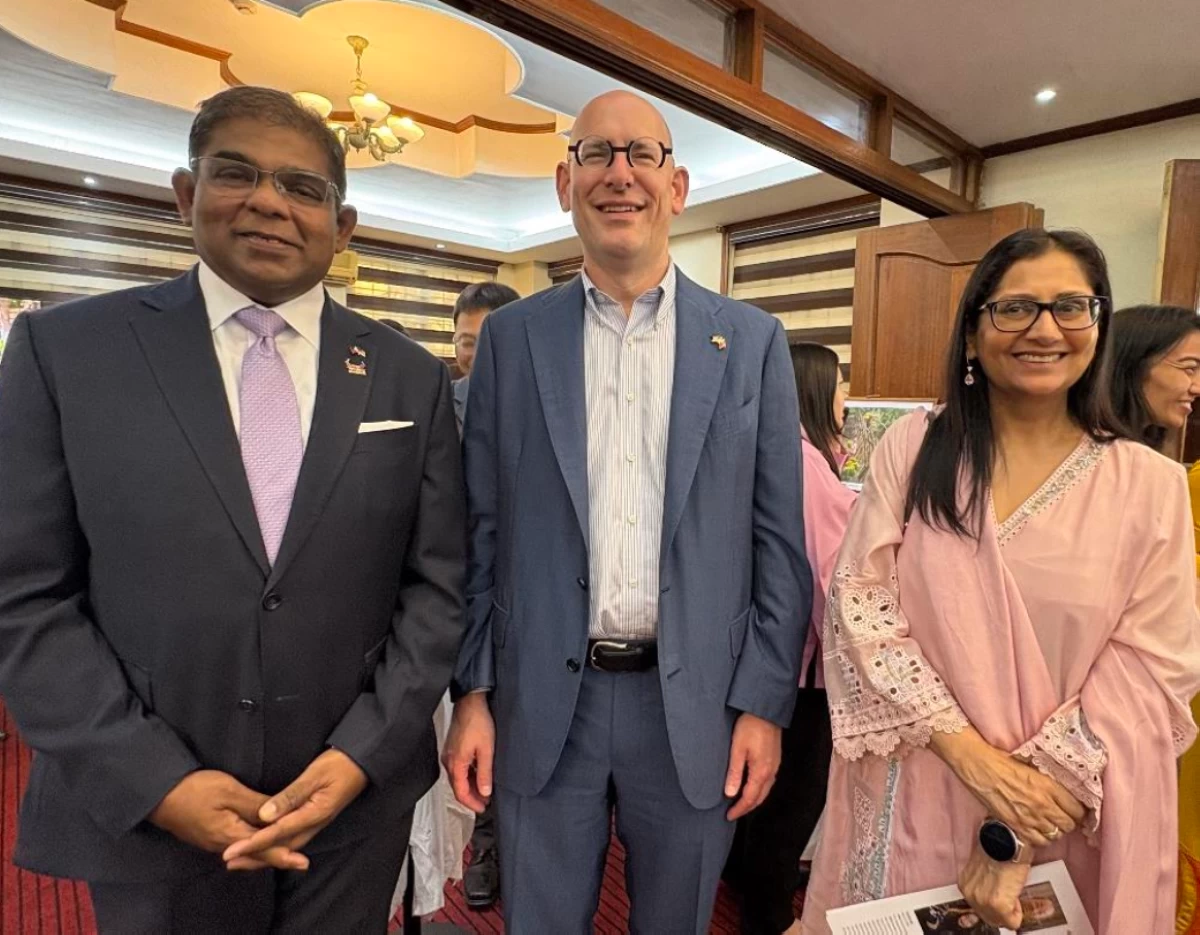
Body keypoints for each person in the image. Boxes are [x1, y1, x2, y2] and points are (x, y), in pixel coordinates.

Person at [0, 86, 466, 933]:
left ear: (342, 223)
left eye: (302, 187)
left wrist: (361, 755)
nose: (268, 202)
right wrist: (156, 779)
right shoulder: (67, 351)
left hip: (350, 809)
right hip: (152, 801)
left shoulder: (408, 375)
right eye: (237, 174)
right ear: (186, 194)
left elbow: (438, 587)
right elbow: (23, 593)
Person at [444, 89, 812, 934]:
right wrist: (473, 689)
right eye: (596, 155)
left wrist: (763, 702)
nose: (620, 174)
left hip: (698, 706)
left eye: (641, 155)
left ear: (676, 186)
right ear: (563, 183)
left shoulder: (751, 340)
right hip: (540, 700)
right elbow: (481, 528)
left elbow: (777, 542)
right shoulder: (512, 338)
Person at [799, 229, 1200, 935]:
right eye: (1016, 308)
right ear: (975, 331)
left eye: (1071, 306)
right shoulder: (916, 447)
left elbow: (1150, 675)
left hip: (1060, 811)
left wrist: (1010, 829)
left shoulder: (1150, 487)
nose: (1044, 329)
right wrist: (971, 756)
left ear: (1099, 325)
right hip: (918, 776)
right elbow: (861, 605)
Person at [738, 342, 856, 935]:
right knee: (790, 805)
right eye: (840, 386)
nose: (847, 400)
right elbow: (828, 577)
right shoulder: (805, 464)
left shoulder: (799, 454)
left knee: (767, 801)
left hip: (783, 661)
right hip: (806, 670)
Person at [1106, 305, 1200, 934]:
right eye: (1188, 367)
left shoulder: (1172, 477)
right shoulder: (1112, 476)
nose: (1196, 386)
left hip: (1164, 707)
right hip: (1112, 718)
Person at [452, 281, 519, 436]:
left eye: (489, 341)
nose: (478, 355)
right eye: (468, 343)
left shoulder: (544, 405)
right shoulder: (441, 404)